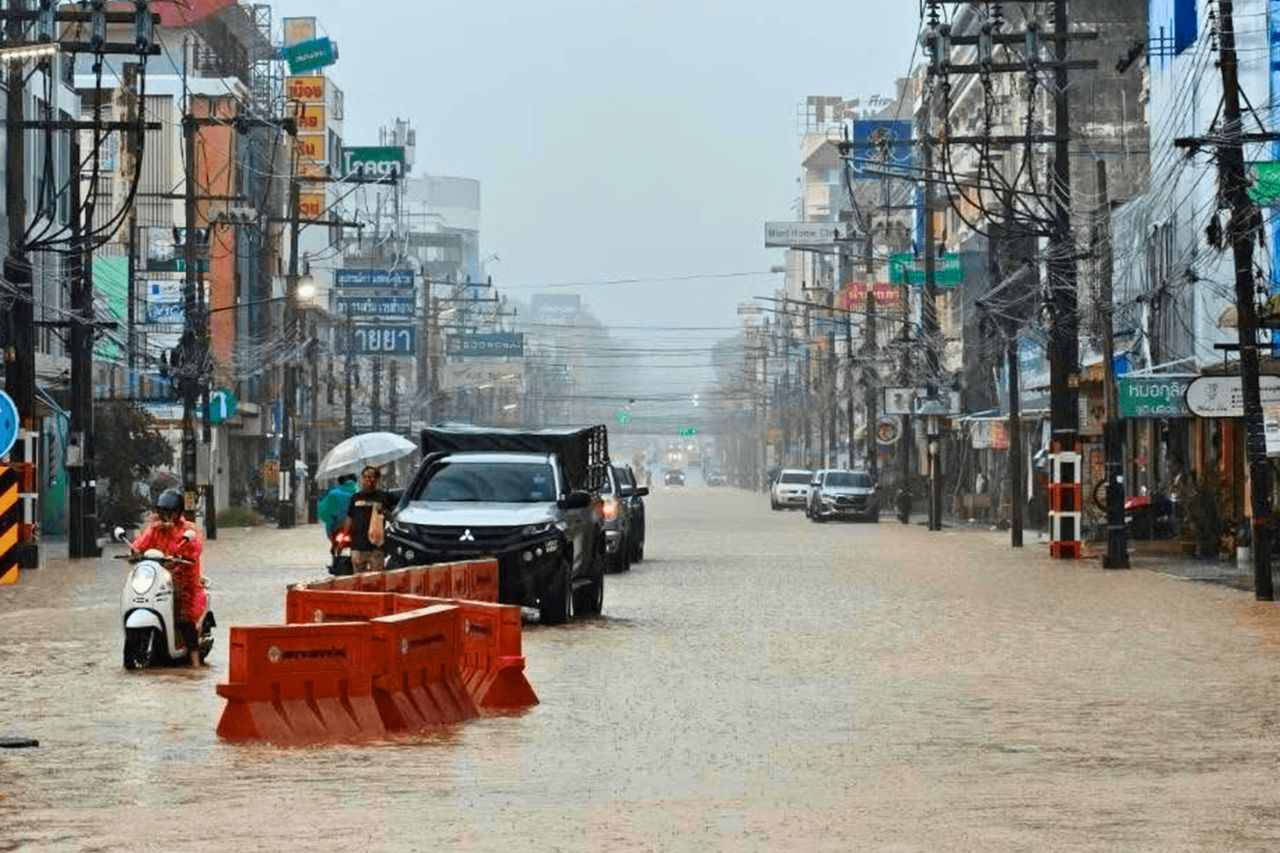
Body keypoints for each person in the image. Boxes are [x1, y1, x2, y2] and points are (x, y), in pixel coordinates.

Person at [130, 488, 205, 665]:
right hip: (157, 580)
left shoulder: (189, 529)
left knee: (184, 618)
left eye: (169, 513)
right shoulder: (154, 529)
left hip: (183, 580)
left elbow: (194, 549)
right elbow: (139, 547)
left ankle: (195, 662)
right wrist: (135, 551)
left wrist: (181, 556)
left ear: (178, 513)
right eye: (162, 513)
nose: (166, 517)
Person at [343, 465, 395, 572]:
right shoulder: (355, 498)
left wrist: (384, 511)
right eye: (366, 477)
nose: (369, 479)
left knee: (377, 580)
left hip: (376, 547)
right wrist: (343, 539)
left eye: (372, 477)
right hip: (357, 546)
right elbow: (349, 518)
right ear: (362, 479)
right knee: (358, 580)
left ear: (377, 479)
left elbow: (392, 518)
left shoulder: (383, 497)